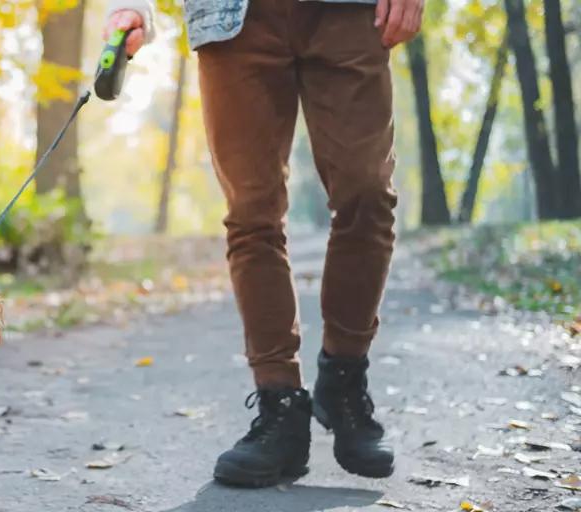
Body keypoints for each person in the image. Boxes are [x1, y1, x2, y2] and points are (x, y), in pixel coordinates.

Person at [101, 0, 422, 488]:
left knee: (368, 193)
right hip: (232, 19)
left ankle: (344, 377)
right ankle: (280, 409)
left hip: (350, 13)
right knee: (253, 214)